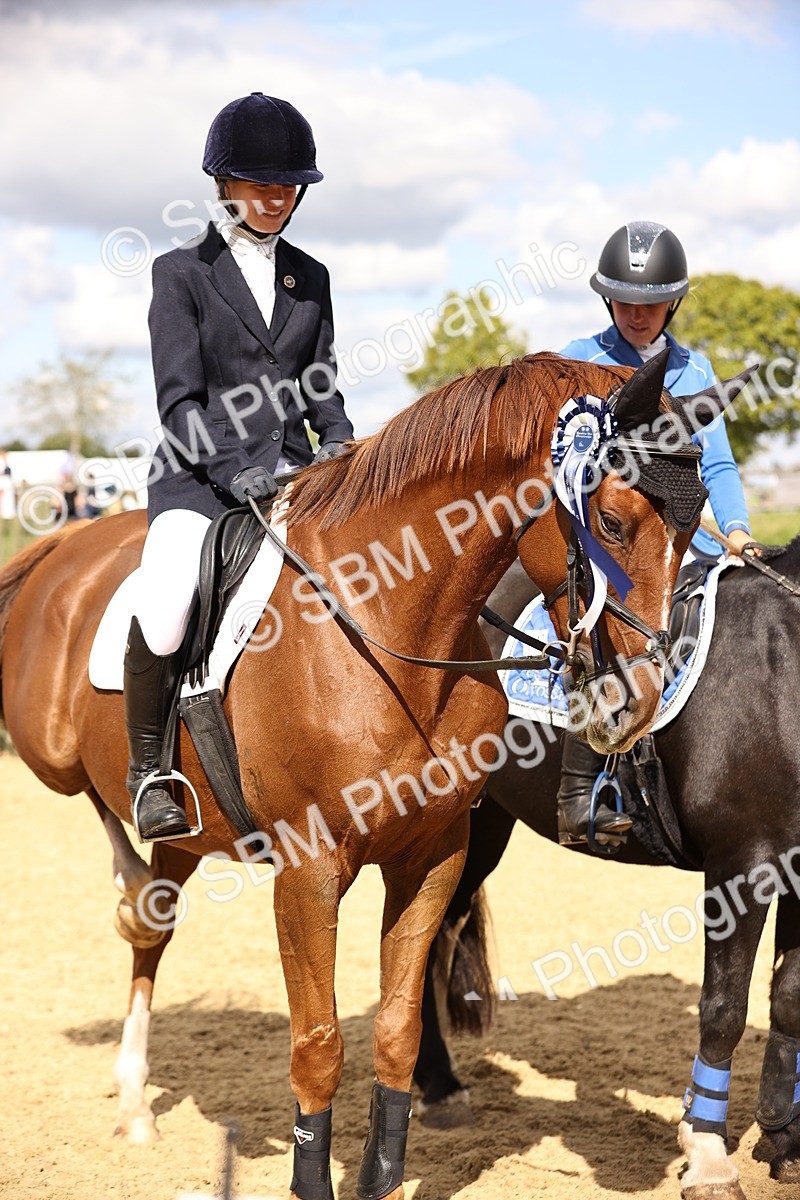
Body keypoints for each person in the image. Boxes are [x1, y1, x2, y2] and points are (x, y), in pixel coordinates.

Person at [125, 92, 354, 841]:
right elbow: (178, 402)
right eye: (259, 183)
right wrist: (233, 473)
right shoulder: (179, 273)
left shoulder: (310, 276)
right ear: (222, 184)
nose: (276, 196)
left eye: (288, 185)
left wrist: (345, 449)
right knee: (164, 604)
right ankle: (150, 773)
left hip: (292, 478)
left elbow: (321, 382)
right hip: (197, 477)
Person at [556, 220, 754, 846]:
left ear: (672, 302)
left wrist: (739, 530)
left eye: (652, 302)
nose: (638, 315)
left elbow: (717, 465)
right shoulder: (579, 361)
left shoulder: (696, 371)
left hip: (684, 551)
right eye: (626, 301)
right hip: (604, 549)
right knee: (600, 633)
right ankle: (579, 791)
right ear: (607, 299)